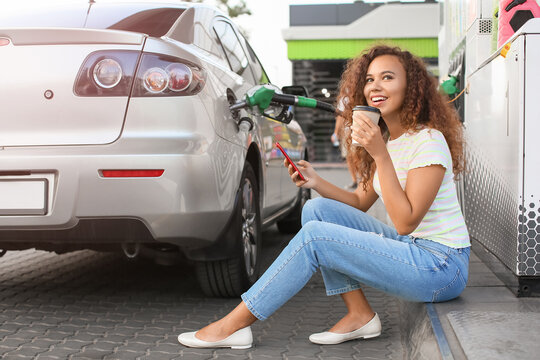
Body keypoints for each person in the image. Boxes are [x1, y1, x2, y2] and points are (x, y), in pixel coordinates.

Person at [177, 45, 470, 349]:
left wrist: (380, 156)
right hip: (412, 249)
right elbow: (359, 201)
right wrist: (316, 181)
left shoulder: (428, 141)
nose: (375, 86)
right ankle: (359, 314)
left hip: (441, 266)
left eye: (387, 77)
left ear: (412, 87)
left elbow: (406, 222)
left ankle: (234, 324)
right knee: (316, 210)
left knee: (316, 237)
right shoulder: (389, 141)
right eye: (369, 80)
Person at [332, 97, 359, 190]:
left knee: (357, 157)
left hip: (358, 129)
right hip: (347, 132)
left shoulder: (360, 93)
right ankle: (355, 181)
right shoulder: (343, 99)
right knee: (349, 157)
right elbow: (339, 116)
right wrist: (336, 133)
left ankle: (363, 180)